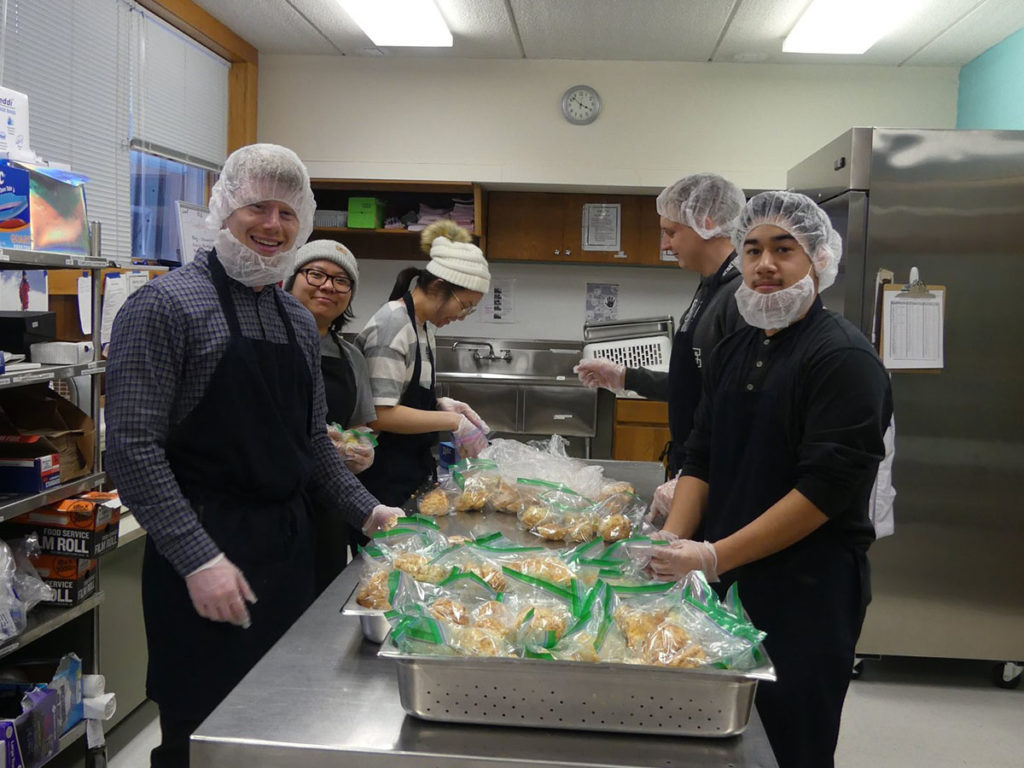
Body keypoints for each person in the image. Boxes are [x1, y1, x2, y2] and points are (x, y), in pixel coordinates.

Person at [104, 143, 403, 768]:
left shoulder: (294, 320)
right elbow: (132, 452)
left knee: (279, 723)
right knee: (203, 734)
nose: (273, 225)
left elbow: (311, 444)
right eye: (257, 208)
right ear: (223, 209)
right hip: (204, 553)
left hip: (287, 551)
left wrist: (369, 512)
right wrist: (197, 559)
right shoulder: (165, 307)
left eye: (288, 213)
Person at [649, 191, 893, 768]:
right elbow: (702, 454)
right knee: (724, 738)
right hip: (728, 578)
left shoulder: (844, 360)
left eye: (784, 250)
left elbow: (823, 492)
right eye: (753, 248)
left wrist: (712, 555)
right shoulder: (739, 347)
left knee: (790, 741)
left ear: (819, 260)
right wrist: (674, 540)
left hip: (806, 589)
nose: (764, 265)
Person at [574, 174, 746, 521]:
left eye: (671, 232)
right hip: (694, 466)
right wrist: (624, 376)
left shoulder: (739, 297)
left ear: (706, 223)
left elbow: (736, 408)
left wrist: (695, 476)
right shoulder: (709, 288)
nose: (665, 245)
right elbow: (695, 384)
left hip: (715, 477)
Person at [355, 220, 491, 506]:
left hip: (409, 470)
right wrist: (453, 422)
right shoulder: (393, 323)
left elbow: (402, 393)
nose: (464, 315)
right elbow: (379, 414)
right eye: (465, 305)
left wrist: (439, 403)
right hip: (383, 477)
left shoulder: (423, 326)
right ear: (439, 286)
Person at [285, 239, 376, 592]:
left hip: (330, 505)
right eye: (316, 274)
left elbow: (360, 424)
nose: (327, 286)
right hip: (279, 502)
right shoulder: (271, 342)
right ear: (291, 279)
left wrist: (361, 448)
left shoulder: (351, 356)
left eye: (341, 281)